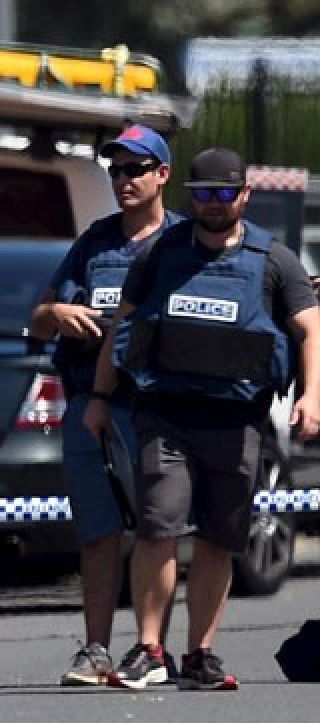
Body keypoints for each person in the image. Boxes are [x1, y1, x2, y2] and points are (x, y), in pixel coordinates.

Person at [86, 146, 320, 690]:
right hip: (164, 410)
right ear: (191, 198)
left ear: (244, 196)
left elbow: (309, 328)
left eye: (224, 194)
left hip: (236, 418)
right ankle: (149, 649)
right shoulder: (159, 253)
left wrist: (313, 396)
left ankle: (200, 655)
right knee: (157, 525)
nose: (214, 205)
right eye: (204, 195)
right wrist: (100, 397)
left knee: (220, 536)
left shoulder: (274, 260)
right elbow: (121, 325)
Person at [29, 124, 181, 686]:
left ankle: (151, 649)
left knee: (157, 530)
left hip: (159, 409)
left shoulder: (184, 242)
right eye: (115, 171)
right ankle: (94, 650)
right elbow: (38, 317)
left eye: (134, 169)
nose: (122, 180)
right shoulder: (95, 242)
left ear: (162, 175)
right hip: (90, 408)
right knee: (97, 532)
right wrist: (60, 316)